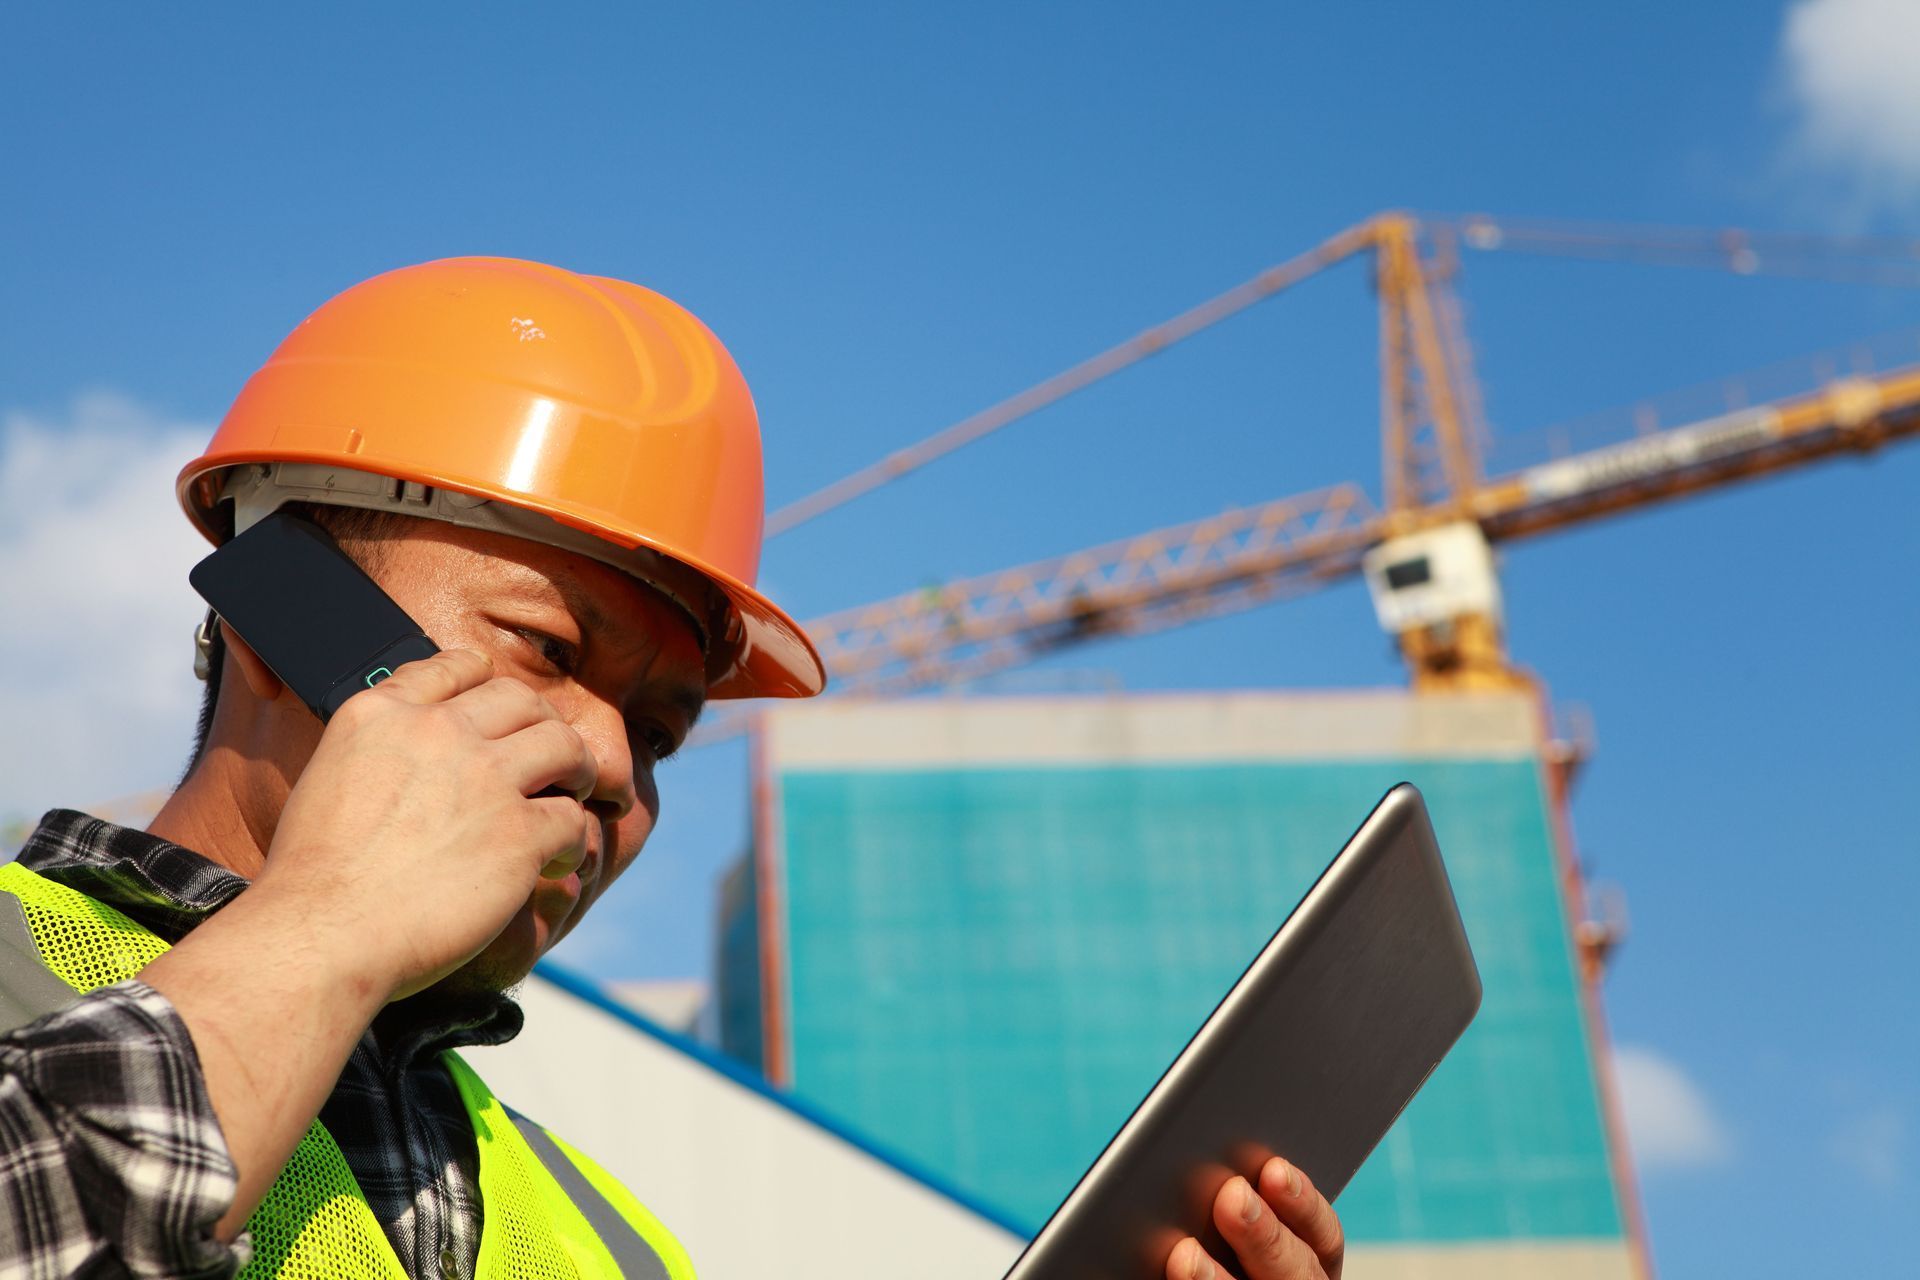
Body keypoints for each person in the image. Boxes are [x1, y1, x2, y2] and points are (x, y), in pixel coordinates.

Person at [0, 257, 1347, 1280]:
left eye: (657, 733)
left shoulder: (611, 1244)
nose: (609, 765)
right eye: (543, 649)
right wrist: (332, 920)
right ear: (276, 619)